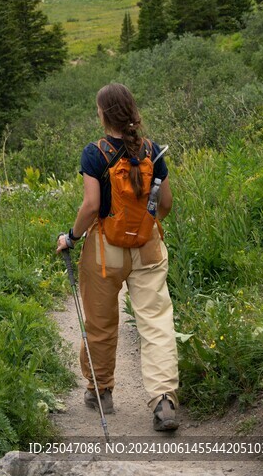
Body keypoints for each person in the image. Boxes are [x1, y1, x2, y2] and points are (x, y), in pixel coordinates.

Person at [56, 82, 179, 433]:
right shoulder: (153, 150)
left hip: (104, 250)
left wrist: (72, 237)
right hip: (148, 246)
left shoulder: (94, 153)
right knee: (155, 322)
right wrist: (144, 224)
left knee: (100, 321)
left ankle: (101, 390)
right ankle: (164, 401)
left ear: (104, 114)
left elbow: (92, 206)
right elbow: (166, 204)